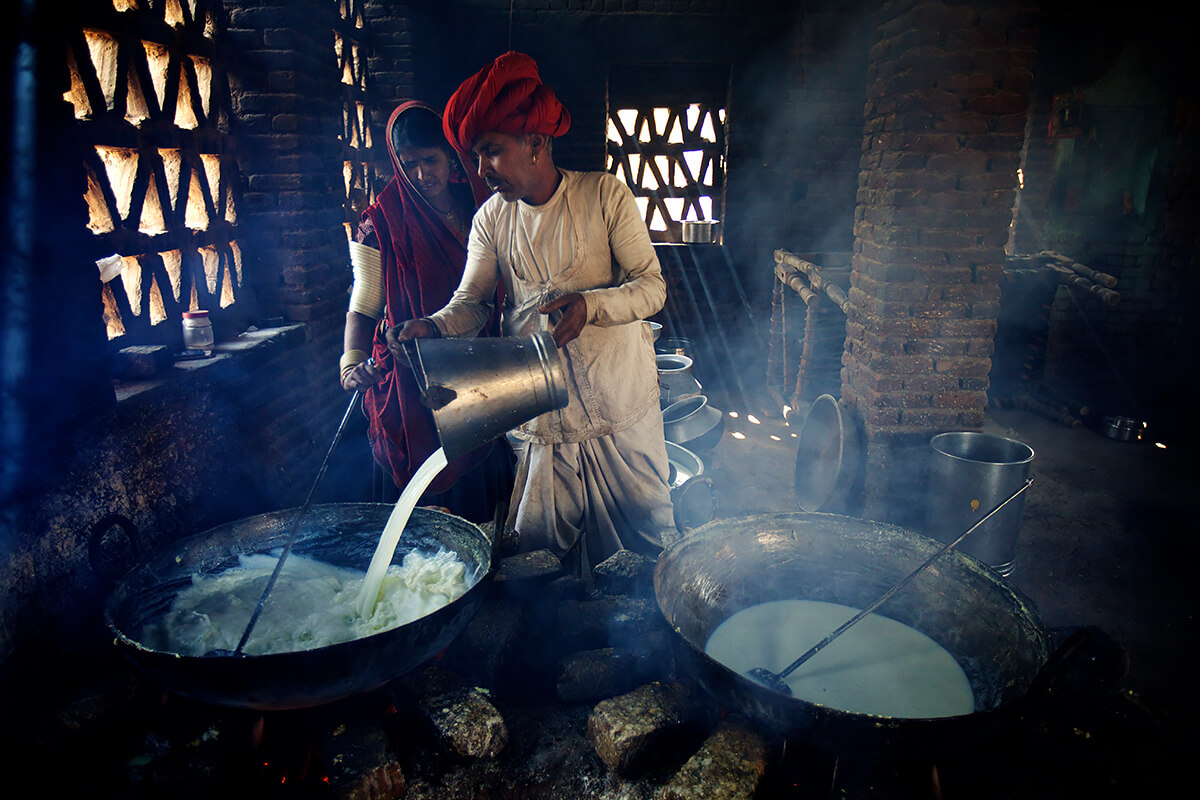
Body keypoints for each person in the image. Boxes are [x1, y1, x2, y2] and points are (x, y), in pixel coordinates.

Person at [388, 52, 676, 578]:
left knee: (645, 548)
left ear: (536, 143)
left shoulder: (604, 195)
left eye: (491, 151)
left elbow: (652, 287)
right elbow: (470, 305)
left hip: (619, 403)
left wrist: (592, 305)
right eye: (475, 155)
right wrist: (430, 325)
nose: (480, 170)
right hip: (543, 414)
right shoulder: (490, 220)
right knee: (542, 562)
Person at [340, 100, 514, 524]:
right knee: (423, 492)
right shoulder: (382, 221)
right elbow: (364, 305)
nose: (421, 175)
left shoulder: (477, 203)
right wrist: (352, 362)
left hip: (476, 367)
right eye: (409, 163)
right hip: (409, 378)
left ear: (449, 155)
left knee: (479, 476)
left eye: (430, 160)